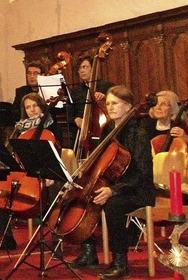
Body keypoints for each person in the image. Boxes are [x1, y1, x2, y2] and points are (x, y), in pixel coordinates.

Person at [69, 85, 154, 280]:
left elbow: (142, 173)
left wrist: (113, 190)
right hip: (112, 183)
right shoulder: (108, 127)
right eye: (108, 103)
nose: (110, 107)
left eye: (115, 103)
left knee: (112, 205)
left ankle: (120, 263)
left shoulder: (138, 133)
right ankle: (89, 251)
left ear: (128, 106)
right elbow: (101, 158)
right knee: (80, 194)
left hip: (136, 189)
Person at [0, 92, 63, 251]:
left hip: (49, 172)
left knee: (56, 190)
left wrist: (51, 175)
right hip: (24, 173)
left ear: (42, 106)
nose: (32, 110)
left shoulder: (53, 127)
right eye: (28, 107)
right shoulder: (19, 129)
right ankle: (7, 238)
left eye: (35, 105)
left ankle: (57, 240)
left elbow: (58, 155)